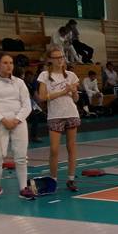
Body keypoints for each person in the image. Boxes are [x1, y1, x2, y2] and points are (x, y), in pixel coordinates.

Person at [0, 53, 34, 201]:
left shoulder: (19, 83)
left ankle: (23, 188)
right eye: (5, 63)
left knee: (21, 157)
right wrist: (3, 120)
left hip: (19, 123)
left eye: (11, 62)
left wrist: (16, 120)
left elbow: (27, 105)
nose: (9, 65)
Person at [37, 47, 82, 192]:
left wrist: (74, 92)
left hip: (71, 113)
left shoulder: (71, 75)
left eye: (61, 57)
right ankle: (53, 180)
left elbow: (76, 99)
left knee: (71, 147)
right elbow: (42, 97)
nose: (59, 60)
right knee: (54, 149)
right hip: (55, 115)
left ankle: (71, 178)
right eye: (56, 57)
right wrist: (63, 91)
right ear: (50, 59)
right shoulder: (45, 75)